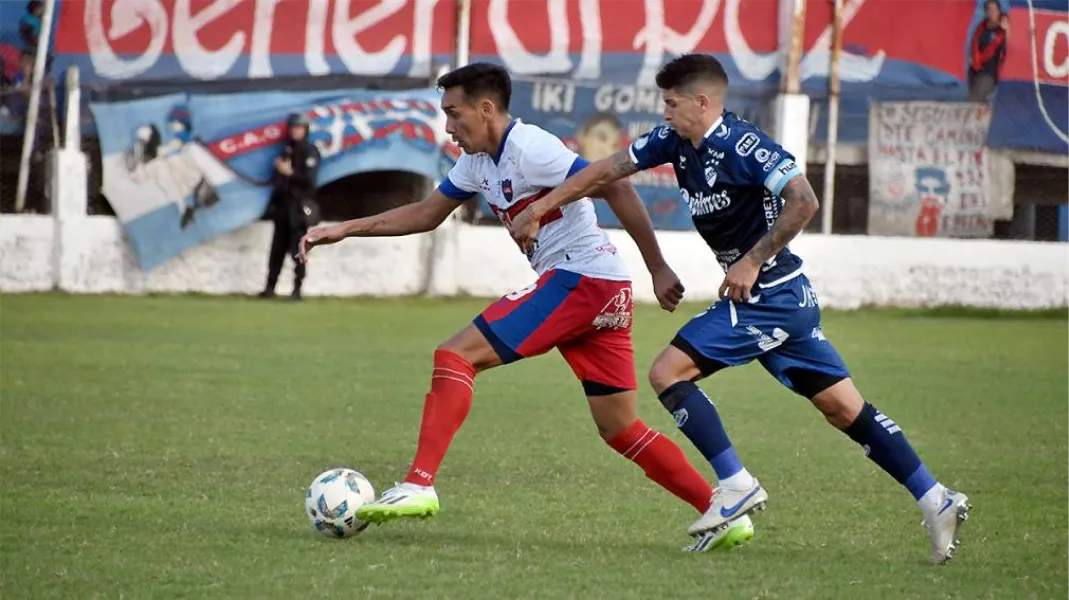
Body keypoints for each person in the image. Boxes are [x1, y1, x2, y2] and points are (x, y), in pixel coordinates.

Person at [508, 53, 971, 565]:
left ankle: (735, 483)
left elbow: (805, 200)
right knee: (844, 409)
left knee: (667, 371)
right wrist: (539, 207)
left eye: (671, 102)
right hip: (779, 300)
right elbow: (603, 171)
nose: (664, 112)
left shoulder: (744, 146)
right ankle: (937, 498)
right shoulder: (673, 143)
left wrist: (752, 260)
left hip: (768, 294)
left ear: (702, 102)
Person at [299, 62, 754, 552]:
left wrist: (658, 267)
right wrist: (343, 228)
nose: (449, 126)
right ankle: (721, 511)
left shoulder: (532, 148)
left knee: (455, 356)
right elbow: (426, 213)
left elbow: (616, 184)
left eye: (455, 114)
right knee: (620, 428)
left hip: (581, 280)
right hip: (602, 288)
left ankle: (419, 483)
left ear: (487, 109)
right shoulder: (476, 163)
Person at [259, 112, 320, 301]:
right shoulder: (285, 151)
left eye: (299, 128)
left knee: (298, 249)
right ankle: (270, 288)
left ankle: (297, 289)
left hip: (299, 207)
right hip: (283, 206)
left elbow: (309, 181)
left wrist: (290, 172)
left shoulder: (310, 152)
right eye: (293, 128)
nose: (295, 131)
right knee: (276, 250)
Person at [967, 0, 1010, 103]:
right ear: (985, 12)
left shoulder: (1004, 28)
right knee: (974, 95)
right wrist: (973, 58)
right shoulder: (981, 27)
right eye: (989, 10)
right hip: (976, 67)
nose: (992, 12)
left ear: (999, 11)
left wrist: (1007, 31)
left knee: (974, 99)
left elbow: (1012, 48)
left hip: (991, 72)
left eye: (994, 9)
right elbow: (975, 44)